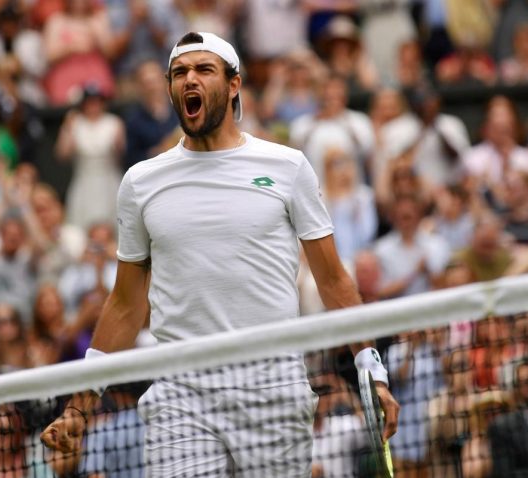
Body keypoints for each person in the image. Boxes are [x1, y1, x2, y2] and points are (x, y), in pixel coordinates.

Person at [40, 31, 399, 477]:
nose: (189, 79)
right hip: (180, 394)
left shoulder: (287, 167)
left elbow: (331, 280)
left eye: (203, 69)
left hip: (273, 390)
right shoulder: (140, 182)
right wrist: (80, 405)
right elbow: (126, 304)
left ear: (233, 85)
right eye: (179, 73)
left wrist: (371, 368)